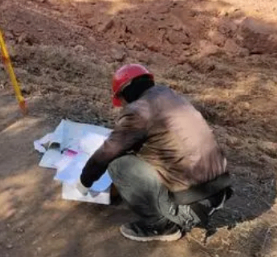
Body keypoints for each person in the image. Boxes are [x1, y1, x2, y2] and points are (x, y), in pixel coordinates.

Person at [76, 64, 232, 242]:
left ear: (126, 92)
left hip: (194, 205)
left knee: (118, 165)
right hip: (219, 191)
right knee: (137, 154)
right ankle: (180, 209)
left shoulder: (139, 111)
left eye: (122, 100)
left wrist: (84, 180)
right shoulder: (167, 95)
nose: (123, 106)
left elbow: (108, 151)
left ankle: (161, 225)